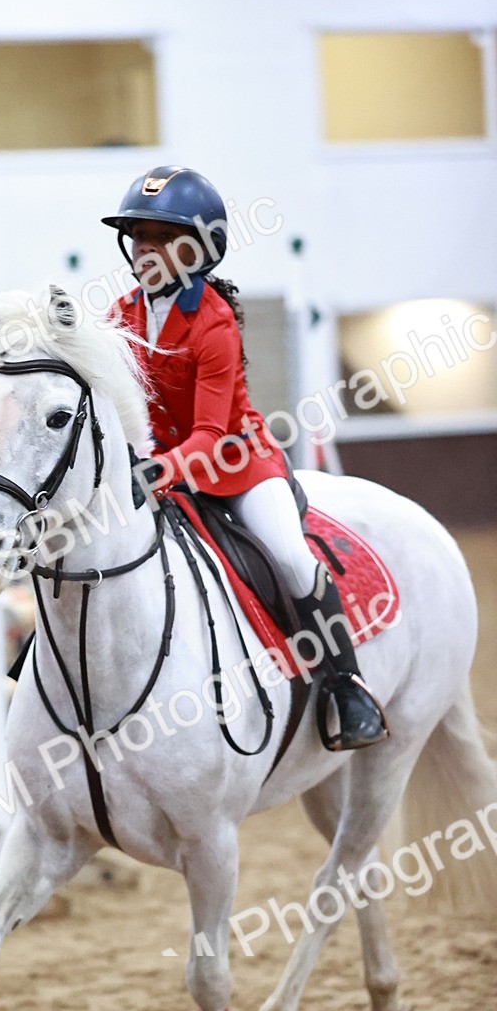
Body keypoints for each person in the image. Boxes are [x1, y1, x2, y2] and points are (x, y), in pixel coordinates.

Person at [102, 164, 388, 751]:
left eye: (161, 238)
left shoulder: (215, 324)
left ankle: (345, 686)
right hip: (162, 470)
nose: (145, 250)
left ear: (199, 249)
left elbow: (209, 434)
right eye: (140, 237)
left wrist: (160, 469)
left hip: (236, 466)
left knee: (289, 557)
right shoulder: (120, 315)